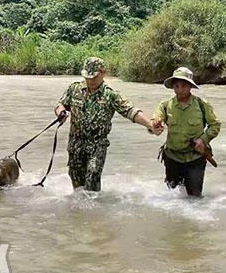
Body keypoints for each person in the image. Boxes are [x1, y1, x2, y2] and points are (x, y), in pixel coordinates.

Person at [55, 57, 161, 192]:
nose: (90, 80)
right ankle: (79, 212)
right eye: (87, 77)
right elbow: (60, 104)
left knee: (92, 176)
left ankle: (93, 209)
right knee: (76, 182)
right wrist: (61, 112)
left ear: (103, 73)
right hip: (75, 145)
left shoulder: (110, 94)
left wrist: (150, 125)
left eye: (93, 77)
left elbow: (130, 111)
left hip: (97, 145)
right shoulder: (74, 89)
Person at [152, 67, 221, 197]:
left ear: (190, 86)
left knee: (194, 198)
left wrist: (203, 139)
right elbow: (156, 120)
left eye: (183, 86)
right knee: (172, 198)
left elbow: (215, 125)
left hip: (195, 158)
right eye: (176, 86)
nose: (180, 90)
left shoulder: (201, 105)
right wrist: (156, 123)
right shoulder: (165, 105)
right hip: (172, 158)